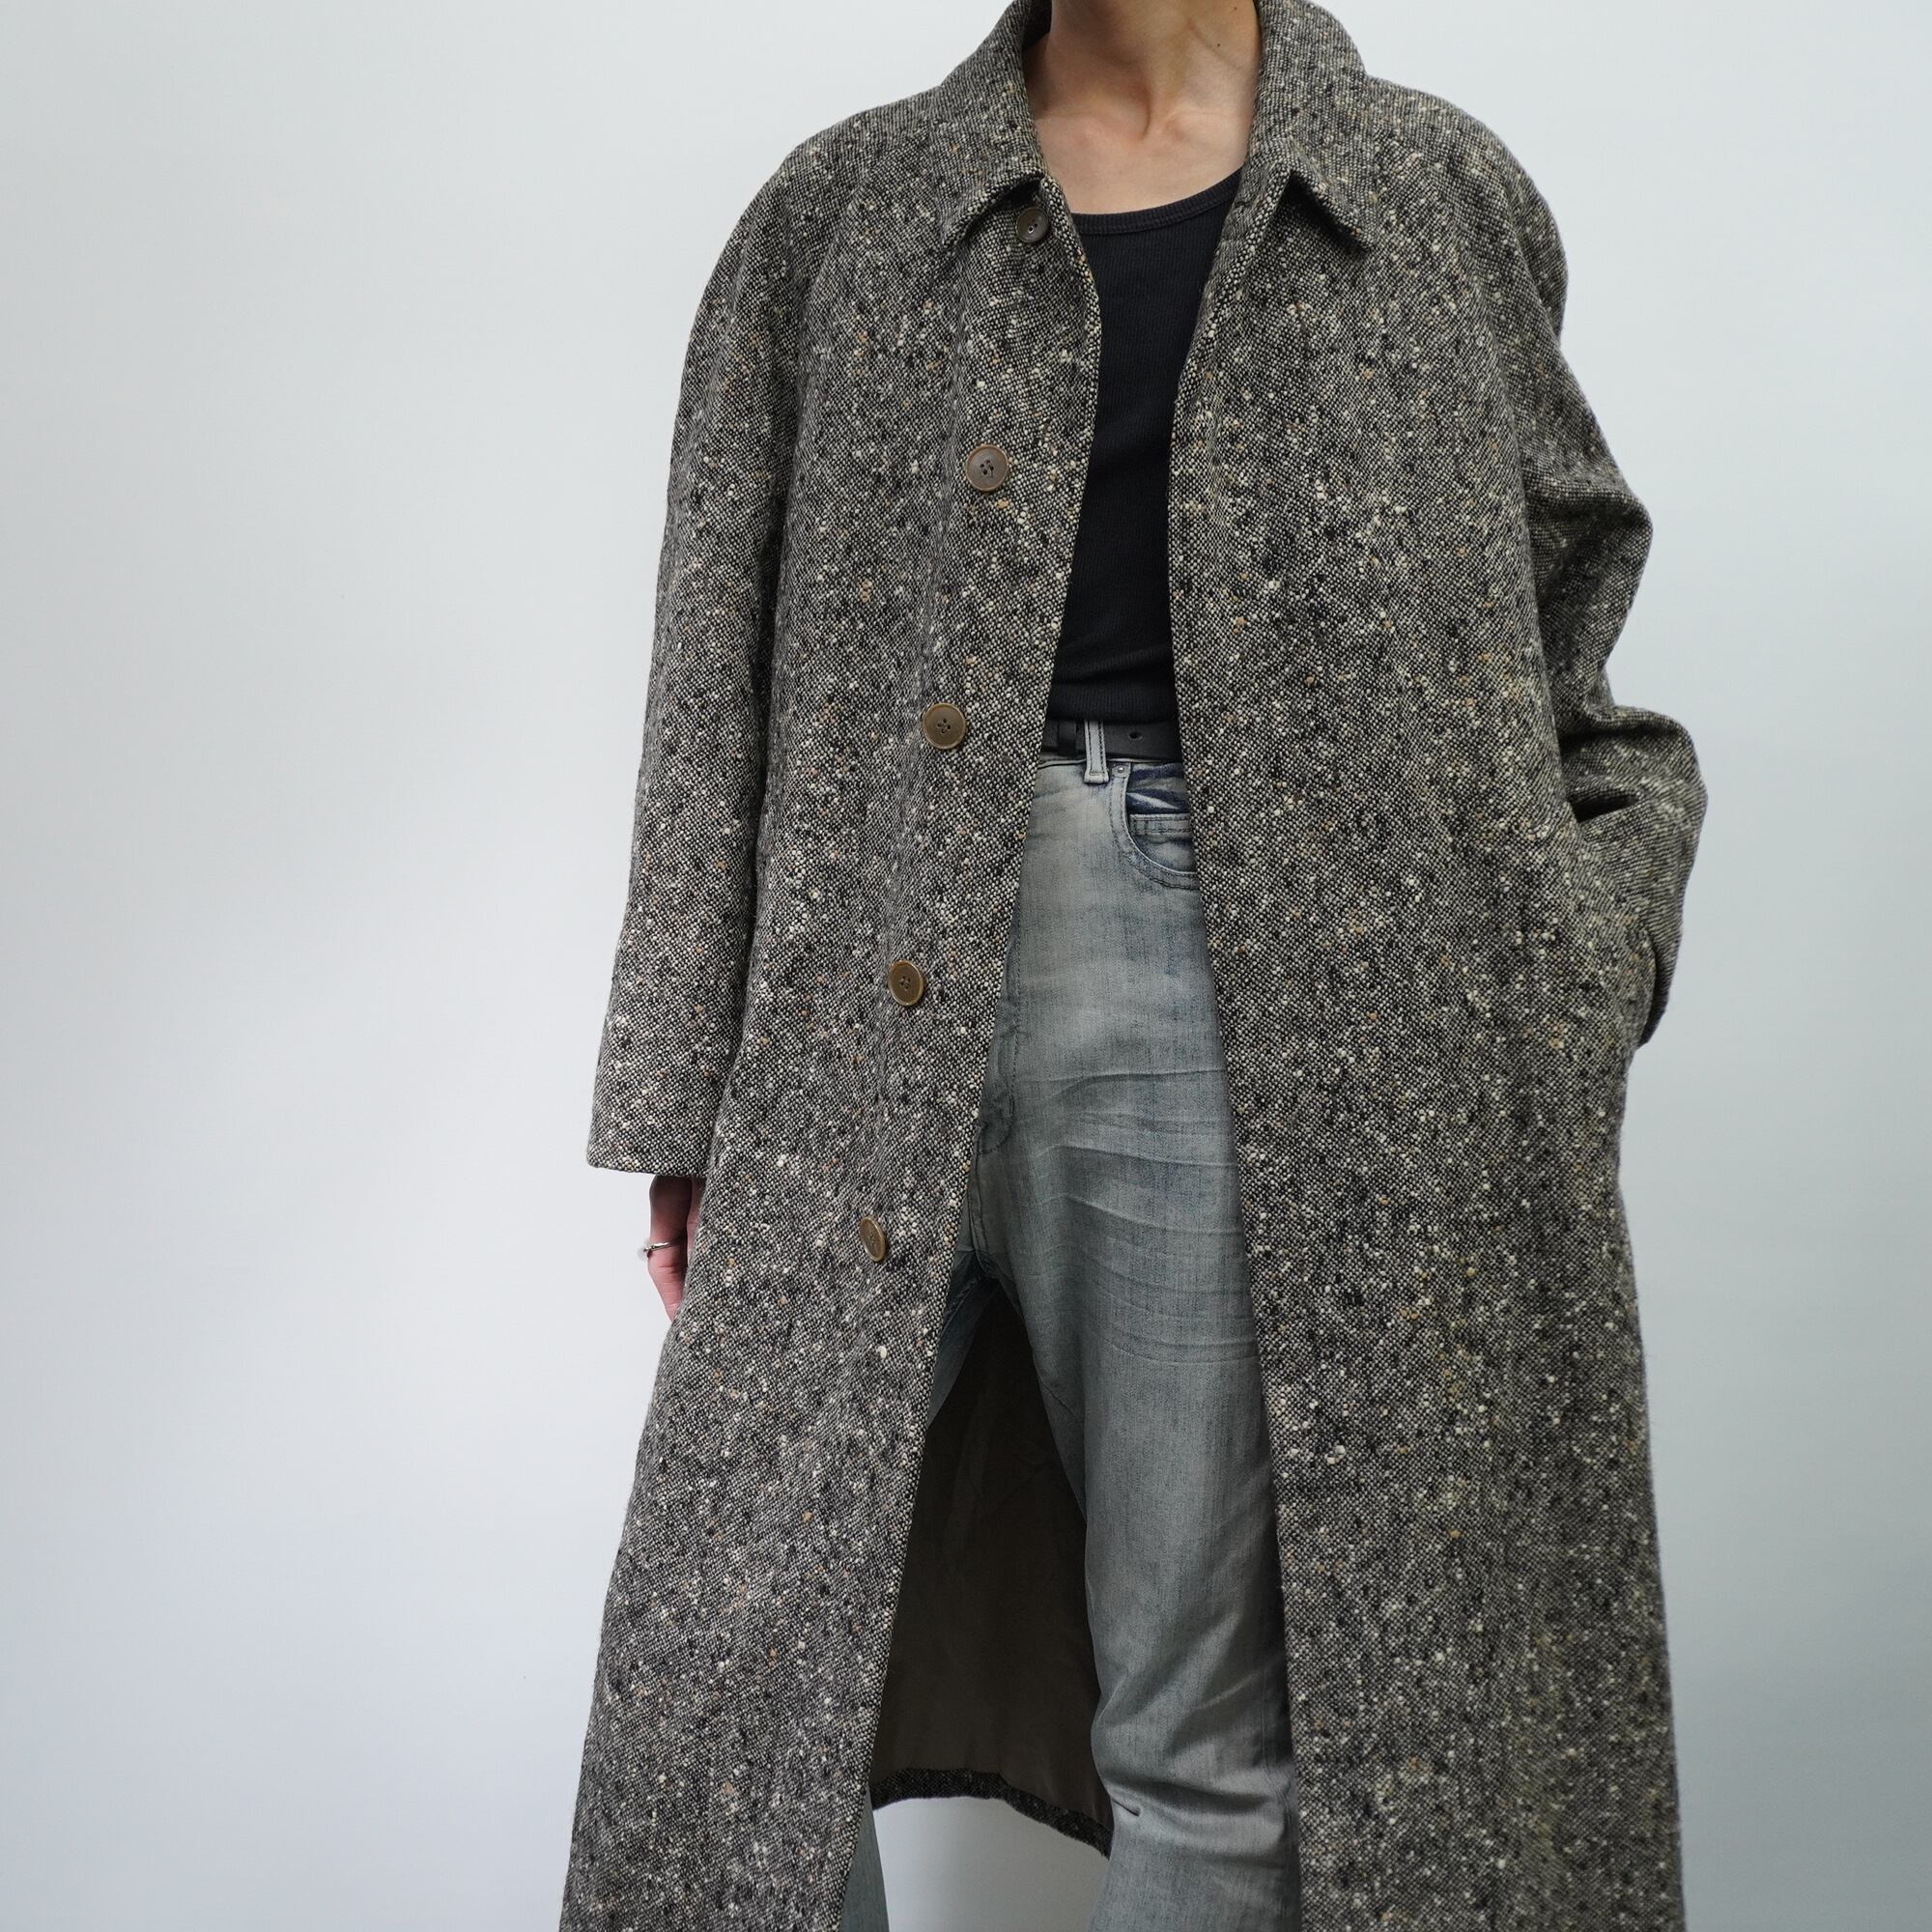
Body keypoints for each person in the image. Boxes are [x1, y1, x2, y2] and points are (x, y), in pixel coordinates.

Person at [559, 3, 1706, 1929]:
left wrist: (1579, 960)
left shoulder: (1426, 198)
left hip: (1230, 984)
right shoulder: (842, 211)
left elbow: (1561, 628)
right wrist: (681, 1086)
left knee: (1206, 1722)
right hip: (851, 996)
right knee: (725, 1692)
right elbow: (712, 662)